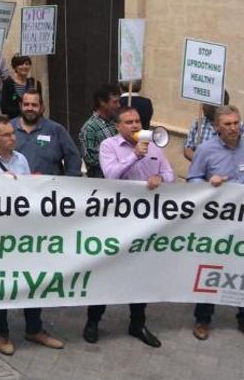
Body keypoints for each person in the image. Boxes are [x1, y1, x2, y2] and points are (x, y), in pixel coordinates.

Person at [0, 116, 65, 356]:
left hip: (23, 233)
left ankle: (34, 328)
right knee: (1, 283)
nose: (13, 138)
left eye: (12, 134)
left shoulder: (21, 160)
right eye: (6, 135)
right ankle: (2, 333)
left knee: (31, 279)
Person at [85, 107, 173, 348]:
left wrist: (161, 179)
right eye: (129, 122)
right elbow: (111, 175)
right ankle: (93, 320)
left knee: (139, 271)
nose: (135, 125)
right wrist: (134, 155)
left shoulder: (153, 145)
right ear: (118, 126)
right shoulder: (108, 146)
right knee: (105, 270)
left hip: (144, 223)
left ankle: (138, 323)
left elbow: (170, 173)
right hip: (116, 221)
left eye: (138, 121)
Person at [186, 105, 244, 340]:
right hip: (217, 224)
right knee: (211, 269)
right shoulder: (206, 150)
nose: (233, 128)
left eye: (236, 122)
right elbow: (192, 180)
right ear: (217, 128)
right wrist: (209, 183)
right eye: (228, 124)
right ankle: (203, 319)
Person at [12, 90, 81, 176]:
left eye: (34, 105)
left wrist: (69, 181)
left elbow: (73, 157)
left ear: (41, 108)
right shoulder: (8, 128)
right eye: (26, 104)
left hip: (49, 187)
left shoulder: (56, 130)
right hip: (16, 186)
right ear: (20, 106)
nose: (30, 108)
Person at [78, 84, 120, 178]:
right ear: (102, 102)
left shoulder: (117, 123)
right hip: (102, 184)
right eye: (115, 102)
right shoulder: (89, 128)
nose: (118, 105)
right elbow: (90, 159)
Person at [183, 91, 230, 161]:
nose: (203, 107)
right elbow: (187, 149)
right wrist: (200, 162)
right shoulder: (198, 123)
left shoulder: (235, 126)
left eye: (206, 104)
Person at [1, 55, 42, 119]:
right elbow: (4, 108)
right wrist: (24, 110)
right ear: (15, 67)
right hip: (15, 121)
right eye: (21, 64)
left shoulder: (35, 83)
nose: (24, 66)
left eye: (27, 64)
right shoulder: (8, 83)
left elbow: (40, 104)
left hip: (34, 120)